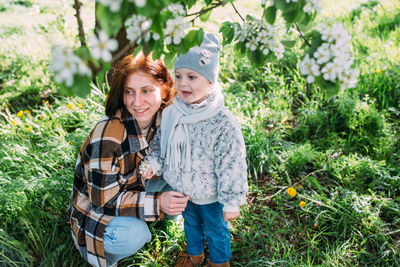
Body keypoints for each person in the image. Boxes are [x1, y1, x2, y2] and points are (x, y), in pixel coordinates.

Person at [65, 52, 190, 267]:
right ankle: (109, 256)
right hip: (98, 209)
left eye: (147, 91)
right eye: (129, 92)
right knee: (135, 234)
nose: (137, 102)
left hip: (137, 185)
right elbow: (103, 202)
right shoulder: (108, 135)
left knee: (183, 165)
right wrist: (158, 202)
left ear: (164, 89)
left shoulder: (167, 117)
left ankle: (171, 218)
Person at [141, 32, 248, 267]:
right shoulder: (172, 113)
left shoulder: (221, 122)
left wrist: (231, 202)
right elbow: (161, 142)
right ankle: (194, 253)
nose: (183, 83)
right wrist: (154, 163)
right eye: (178, 76)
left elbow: (232, 162)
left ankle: (220, 261)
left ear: (210, 81)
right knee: (190, 223)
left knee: (215, 228)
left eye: (192, 76)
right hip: (182, 188)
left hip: (210, 193)